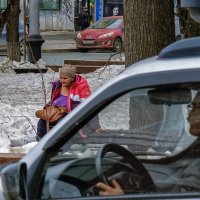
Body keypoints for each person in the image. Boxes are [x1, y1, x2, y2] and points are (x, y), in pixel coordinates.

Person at [36, 64, 91, 140]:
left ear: (72, 78)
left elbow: (89, 106)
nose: (62, 80)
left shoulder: (81, 87)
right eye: (60, 78)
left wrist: (96, 126)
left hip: (70, 116)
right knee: (42, 121)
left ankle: (59, 144)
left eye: (65, 78)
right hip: (56, 113)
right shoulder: (57, 85)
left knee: (61, 124)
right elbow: (52, 100)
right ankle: (41, 143)